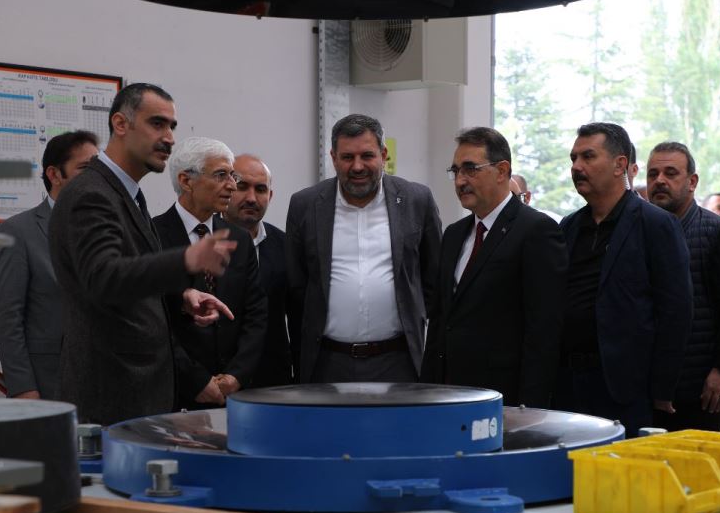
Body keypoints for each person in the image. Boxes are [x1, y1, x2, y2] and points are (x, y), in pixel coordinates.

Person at [49, 83, 235, 425]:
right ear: (121, 124)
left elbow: (127, 278)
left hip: (137, 391)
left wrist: (181, 296)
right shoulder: (91, 193)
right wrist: (186, 260)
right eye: (157, 124)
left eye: (172, 127)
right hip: (112, 393)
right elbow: (103, 277)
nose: (169, 138)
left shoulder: (126, 192)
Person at [555, 122, 692, 437]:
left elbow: (676, 311)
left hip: (624, 387)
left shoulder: (655, 224)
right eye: (573, 158)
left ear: (620, 165)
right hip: (568, 383)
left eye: (588, 156)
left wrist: (662, 387)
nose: (577, 166)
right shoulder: (569, 226)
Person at [286, 112, 442, 383]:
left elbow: (434, 277)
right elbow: (297, 286)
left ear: (383, 154)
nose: (357, 166)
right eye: (347, 157)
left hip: (399, 362)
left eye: (367, 156)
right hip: (327, 363)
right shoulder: (305, 205)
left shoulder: (417, 200)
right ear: (333, 158)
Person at [421, 126, 567, 405]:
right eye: (456, 171)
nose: (460, 180)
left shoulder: (536, 230)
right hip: (447, 393)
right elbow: (441, 321)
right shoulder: (454, 234)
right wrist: (428, 388)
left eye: (470, 169)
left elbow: (543, 331)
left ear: (502, 171)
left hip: (503, 397)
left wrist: (530, 406)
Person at [154, 137, 266, 409]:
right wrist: (196, 381)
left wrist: (236, 375)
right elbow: (155, 324)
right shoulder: (152, 236)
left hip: (233, 395)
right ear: (186, 180)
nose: (232, 185)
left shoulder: (239, 239)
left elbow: (256, 315)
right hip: (176, 394)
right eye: (220, 175)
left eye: (232, 176)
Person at [646, 142, 720, 431]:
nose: (659, 181)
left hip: (700, 390)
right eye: (653, 174)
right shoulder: (640, 232)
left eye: (670, 173)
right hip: (647, 388)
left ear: (692, 182)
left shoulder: (718, 231)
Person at [0, 130, 98, 399]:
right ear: (54, 175)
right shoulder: (19, 231)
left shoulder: (106, 230)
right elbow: (8, 319)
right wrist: (23, 388)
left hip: (104, 384)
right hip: (48, 383)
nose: (96, 178)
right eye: (85, 168)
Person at [225, 153, 291, 385]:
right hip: (216, 381)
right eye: (242, 186)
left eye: (261, 189)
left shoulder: (286, 246)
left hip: (272, 382)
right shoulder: (202, 241)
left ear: (270, 196)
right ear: (227, 187)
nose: (251, 198)